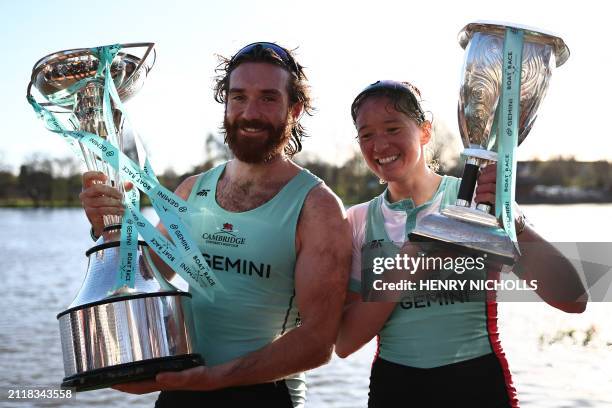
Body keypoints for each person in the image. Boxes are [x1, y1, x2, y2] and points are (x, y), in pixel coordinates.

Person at [79, 42, 351, 407]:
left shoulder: (318, 208)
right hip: (182, 389)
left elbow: (318, 343)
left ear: (295, 109)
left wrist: (213, 380)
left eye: (268, 98)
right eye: (239, 97)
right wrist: (111, 227)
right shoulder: (194, 190)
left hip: (264, 394)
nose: (250, 112)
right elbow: (144, 274)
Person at [334, 80, 587, 407]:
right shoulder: (357, 221)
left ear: (425, 132)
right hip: (395, 388)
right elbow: (345, 342)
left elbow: (573, 299)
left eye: (393, 128)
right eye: (366, 134)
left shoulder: (478, 199)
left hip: (477, 383)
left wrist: (514, 223)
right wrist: (413, 259)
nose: (380, 145)